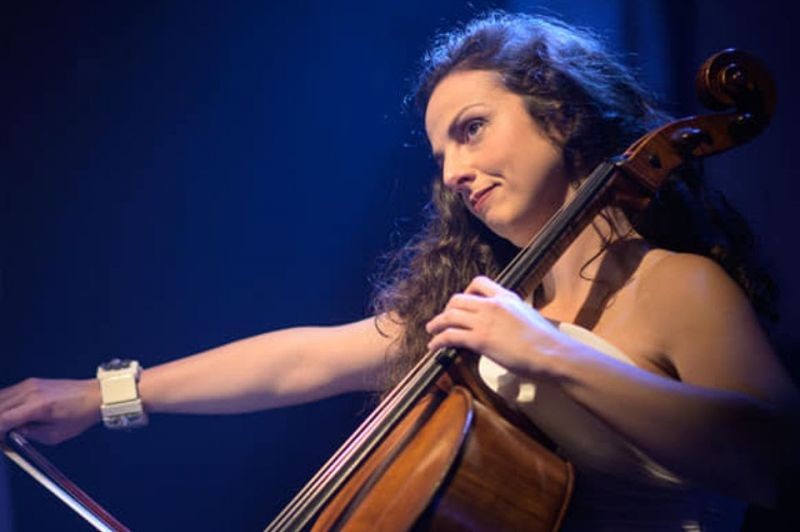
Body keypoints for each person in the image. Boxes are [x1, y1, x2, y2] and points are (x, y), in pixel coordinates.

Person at [1, 11, 797, 530]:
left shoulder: (674, 285)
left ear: (562, 117)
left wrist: (549, 351)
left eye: (472, 129)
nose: (454, 170)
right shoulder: (500, 300)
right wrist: (103, 396)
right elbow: (300, 361)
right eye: (441, 152)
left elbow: (778, 462)